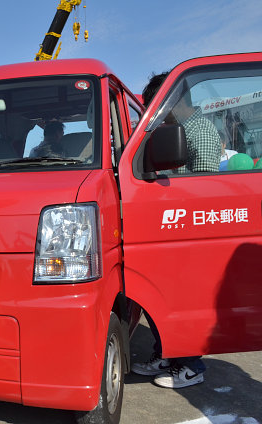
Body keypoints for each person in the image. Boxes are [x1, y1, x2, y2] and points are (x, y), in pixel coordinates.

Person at [131, 72, 208, 388]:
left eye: (158, 103)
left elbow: (204, 186)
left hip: (187, 227)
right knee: (162, 296)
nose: (156, 111)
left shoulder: (198, 130)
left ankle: (192, 366)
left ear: (173, 98)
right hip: (171, 223)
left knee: (183, 299)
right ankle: (166, 355)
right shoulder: (180, 129)